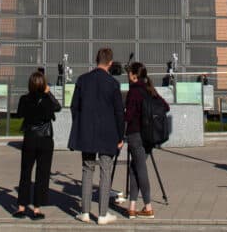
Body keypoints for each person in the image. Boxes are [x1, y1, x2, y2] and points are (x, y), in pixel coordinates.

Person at [68, 47, 124, 224]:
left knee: (87, 169)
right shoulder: (113, 84)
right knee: (105, 172)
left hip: (87, 132)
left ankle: (84, 212)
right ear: (110, 63)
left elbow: (74, 107)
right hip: (108, 133)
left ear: (96, 60)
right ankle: (102, 214)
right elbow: (119, 112)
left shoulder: (82, 80)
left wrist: (80, 124)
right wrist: (120, 136)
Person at [118, 62, 166, 218]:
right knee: (134, 168)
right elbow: (165, 106)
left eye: (129, 74)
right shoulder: (149, 89)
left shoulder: (134, 92)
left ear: (134, 76)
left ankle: (148, 206)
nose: (127, 77)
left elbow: (129, 115)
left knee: (140, 169)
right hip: (149, 136)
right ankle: (132, 206)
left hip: (135, 134)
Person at [14, 68, 62, 219]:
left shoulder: (24, 99)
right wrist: (48, 92)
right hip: (45, 139)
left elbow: (19, 114)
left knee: (25, 172)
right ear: (43, 85)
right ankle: (36, 208)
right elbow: (58, 107)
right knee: (42, 174)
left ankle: (21, 206)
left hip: (30, 137)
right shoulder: (47, 99)